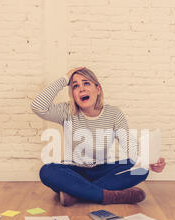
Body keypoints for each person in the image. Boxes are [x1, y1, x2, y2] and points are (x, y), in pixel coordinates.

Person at [31, 67, 166, 206]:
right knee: (47, 171)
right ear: (72, 93)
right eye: (75, 86)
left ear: (98, 89)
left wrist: (148, 160)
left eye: (86, 83)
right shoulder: (66, 111)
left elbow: (129, 144)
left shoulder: (113, 114)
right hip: (73, 171)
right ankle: (107, 196)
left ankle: (75, 194)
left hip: (102, 170)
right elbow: (38, 106)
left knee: (141, 169)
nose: (81, 88)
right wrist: (65, 79)